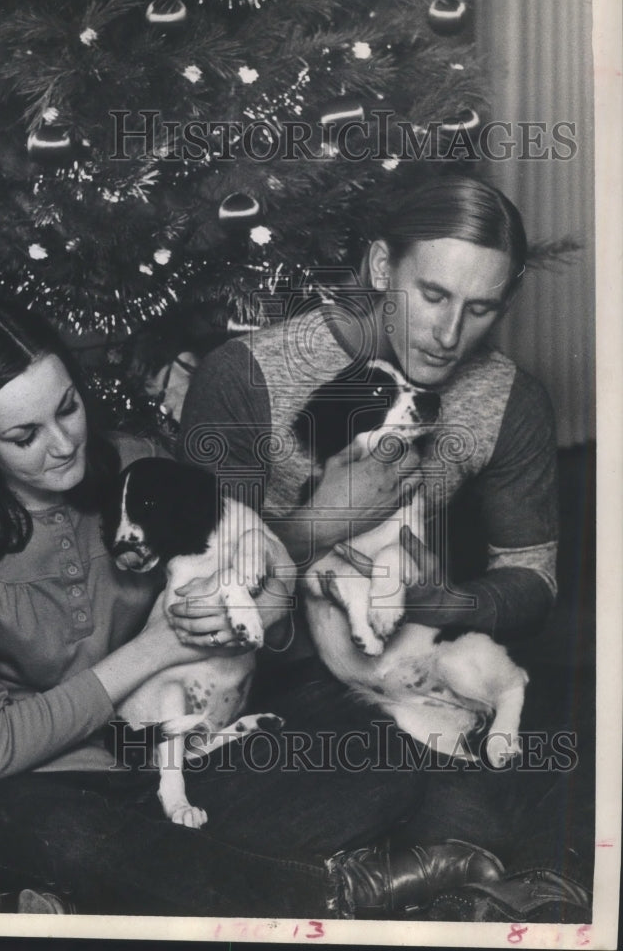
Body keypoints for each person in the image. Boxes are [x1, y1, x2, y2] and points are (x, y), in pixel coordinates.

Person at [0, 297, 506, 919]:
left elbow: (264, 571)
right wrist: (159, 647)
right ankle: (337, 891)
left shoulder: (137, 465)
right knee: (44, 827)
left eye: (68, 408)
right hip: (35, 785)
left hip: (178, 746)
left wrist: (260, 609)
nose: (62, 445)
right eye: (24, 436)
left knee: (376, 751)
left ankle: (116, 893)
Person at [177, 175, 592, 921]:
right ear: (379, 268)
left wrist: (451, 601)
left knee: (590, 713)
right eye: (432, 295)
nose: (449, 333)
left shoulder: (508, 398)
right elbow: (204, 608)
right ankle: (476, 874)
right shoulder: (245, 378)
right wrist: (325, 521)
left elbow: (532, 579)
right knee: (392, 764)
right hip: (278, 687)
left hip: (409, 658)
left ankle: (456, 882)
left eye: (481, 308)